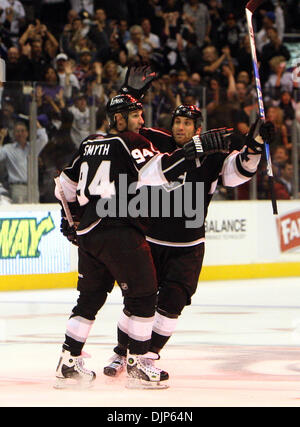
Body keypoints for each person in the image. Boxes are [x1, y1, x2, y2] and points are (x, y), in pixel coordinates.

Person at [102, 70, 275, 377]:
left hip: (188, 247)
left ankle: (147, 357)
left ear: (198, 129)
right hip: (151, 240)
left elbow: (240, 172)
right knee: (137, 301)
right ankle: (122, 351)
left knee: (172, 305)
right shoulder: (156, 142)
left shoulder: (212, 156)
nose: (180, 127)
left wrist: (256, 143)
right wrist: (130, 94)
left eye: (187, 124)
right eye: (177, 122)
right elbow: (122, 131)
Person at [54, 93, 231, 389]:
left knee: (89, 299)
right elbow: (160, 173)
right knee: (145, 295)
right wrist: (195, 148)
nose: (142, 120)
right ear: (120, 119)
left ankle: (68, 362)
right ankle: (137, 364)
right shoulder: (131, 143)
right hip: (119, 228)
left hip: (89, 233)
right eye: (136, 116)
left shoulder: (90, 142)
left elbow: (64, 184)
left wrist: (71, 223)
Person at [0, 120, 48, 203]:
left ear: (27, 133)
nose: (20, 133)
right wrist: (1, 138)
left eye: (22, 131)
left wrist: (37, 125)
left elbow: (44, 139)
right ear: (14, 134)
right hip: (17, 188)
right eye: (17, 131)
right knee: (20, 213)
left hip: (33, 187)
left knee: (35, 212)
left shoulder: (33, 147)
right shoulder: (8, 149)